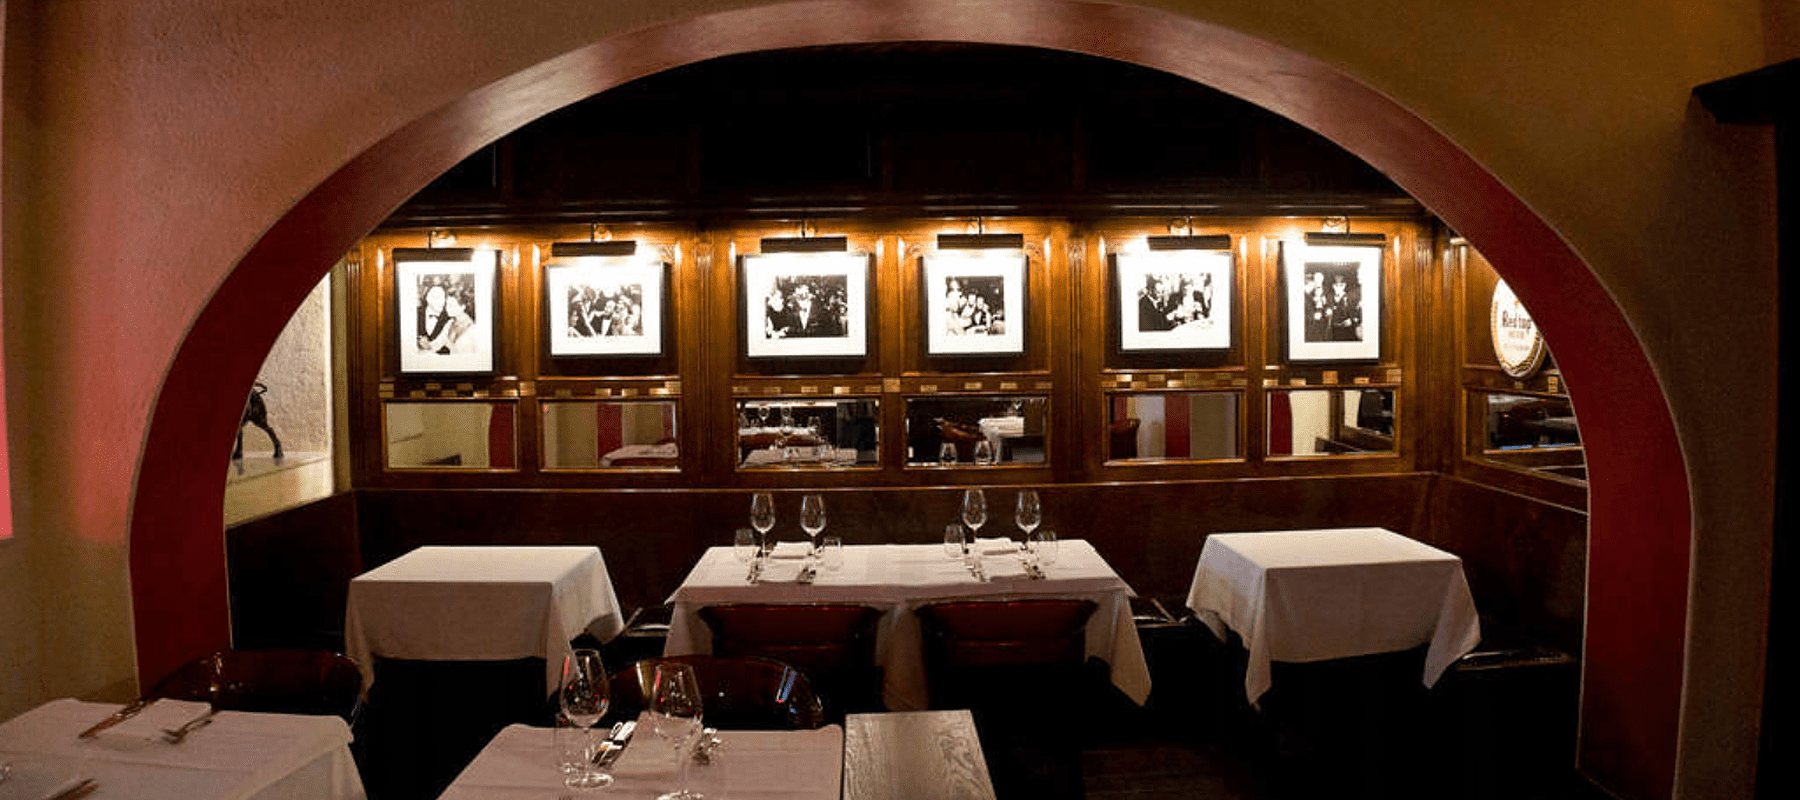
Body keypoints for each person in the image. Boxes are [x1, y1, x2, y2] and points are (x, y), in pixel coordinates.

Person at [416, 283, 452, 353]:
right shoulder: (416, 313)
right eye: (437, 298)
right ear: (428, 299)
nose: (441, 302)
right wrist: (417, 341)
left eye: (443, 298)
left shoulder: (447, 319)